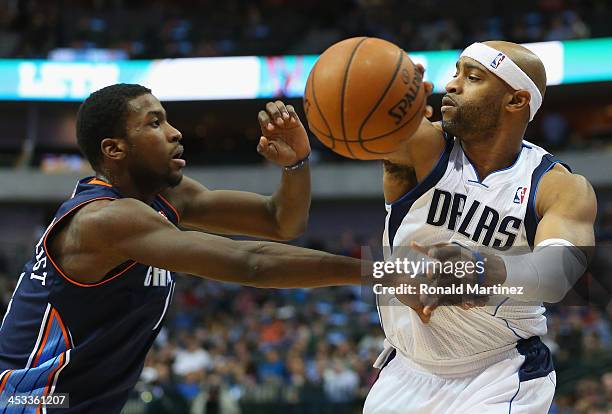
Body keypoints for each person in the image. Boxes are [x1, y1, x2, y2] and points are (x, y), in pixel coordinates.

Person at [0, 84, 363, 413]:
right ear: (114, 149)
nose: (175, 132)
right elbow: (251, 263)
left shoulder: (166, 198)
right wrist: (381, 271)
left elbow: (281, 222)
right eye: (155, 123)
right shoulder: (104, 219)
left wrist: (296, 164)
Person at [363, 41, 596, 413]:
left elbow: (556, 277)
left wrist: (484, 269)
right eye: (455, 73)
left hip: (499, 372)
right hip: (405, 371)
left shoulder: (557, 186)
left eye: (472, 77)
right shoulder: (425, 148)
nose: (452, 85)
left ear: (516, 101)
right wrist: (390, 113)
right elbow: (365, 133)